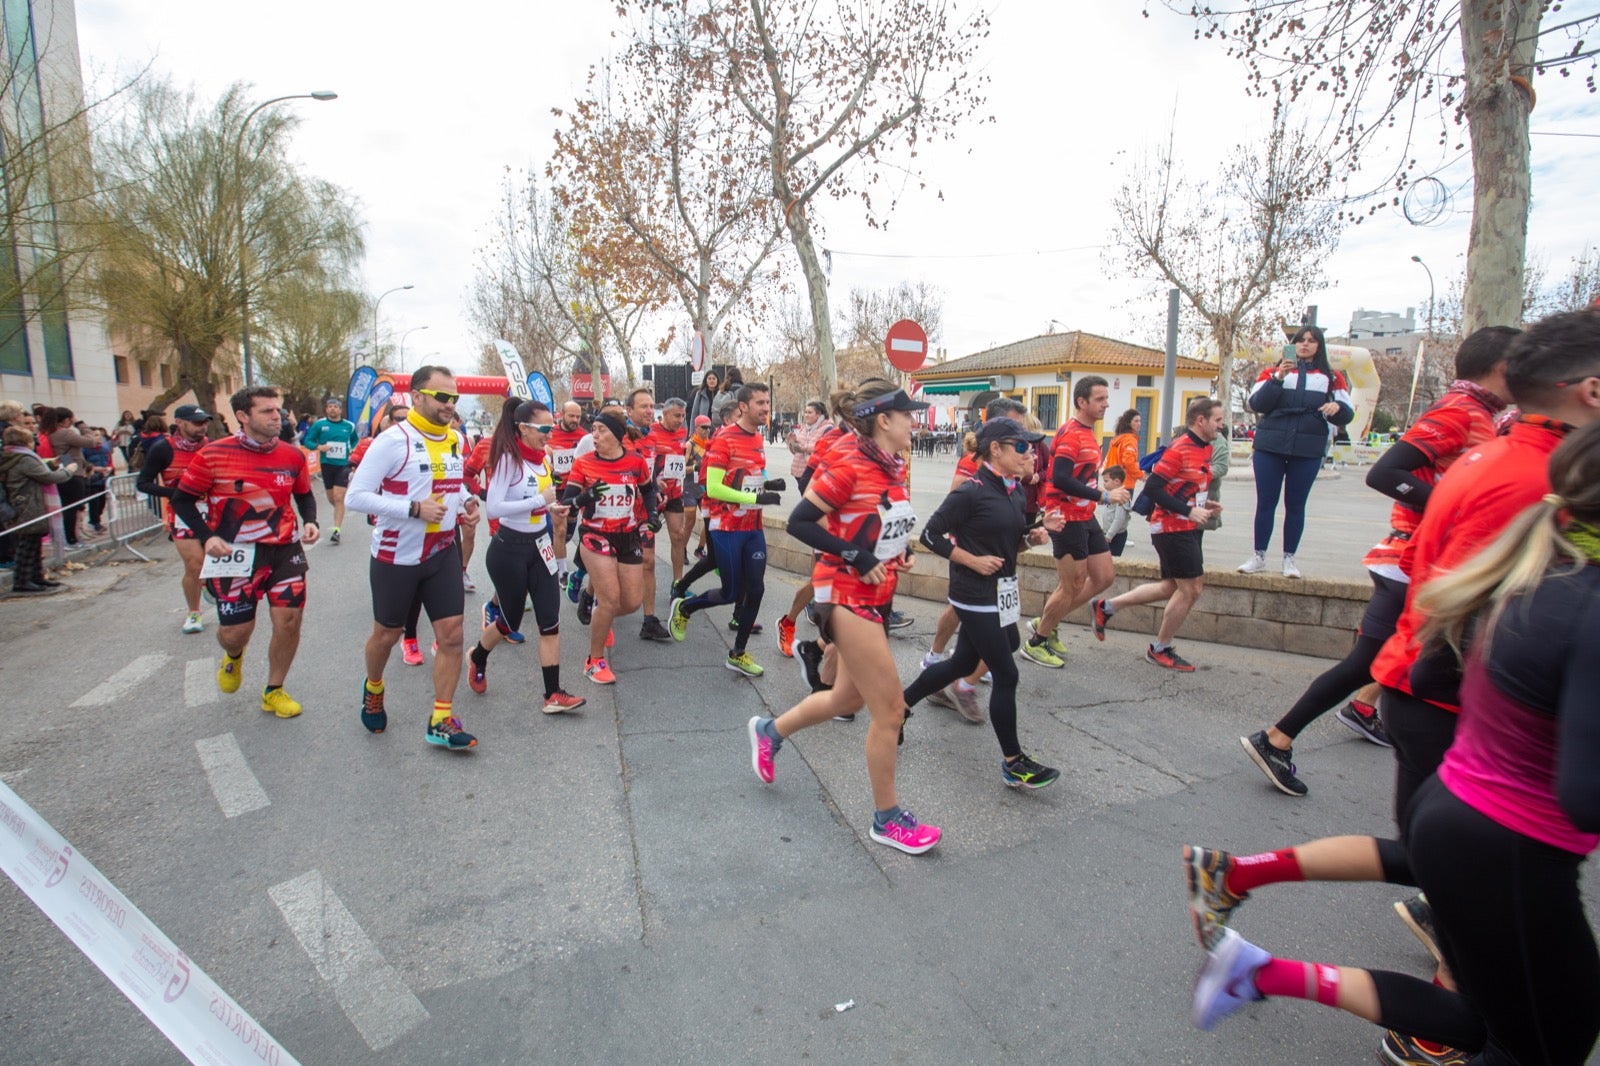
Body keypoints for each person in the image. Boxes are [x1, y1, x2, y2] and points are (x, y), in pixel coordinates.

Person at [1185, 310, 1600, 1065]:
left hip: (1439, 689)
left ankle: (1246, 892)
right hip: (1446, 695)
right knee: (1461, 887)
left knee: (1433, 859)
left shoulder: (1498, 454)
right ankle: (1437, 1019)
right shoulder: (1525, 471)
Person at [1238, 327, 1516, 797]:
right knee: (1397, 663)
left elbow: (1346, 414)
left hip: (1427, 559)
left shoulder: (1484, 416)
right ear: (1501, 368)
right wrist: (1459, 508)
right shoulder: (1460, 411)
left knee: (1386, 660)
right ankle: (1281, 738)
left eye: (1310, 339)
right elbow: (1386, 471)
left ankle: (1311, 727)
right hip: (1411, 559)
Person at [745, 380, 942, 855]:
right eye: (908, 414)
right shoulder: (848, 461)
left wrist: (901, 551)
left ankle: (768, 732)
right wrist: (855, 554)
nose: (916, 422)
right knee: (891, 710)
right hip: (844, 594)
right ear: (883, 419)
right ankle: (886, 818)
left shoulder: (893, 466)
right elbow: (800, 523)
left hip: (877, 593)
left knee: (844, 700)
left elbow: (881, 523)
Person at [901, 418, 1066, 783]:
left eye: (1032, 448)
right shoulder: (971, 491)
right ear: (997, 449)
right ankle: (1013, 762)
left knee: (966, 660)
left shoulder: (1015, 491)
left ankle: (900, 705)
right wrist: (970, 560)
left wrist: (1032, 537)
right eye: (1022, 447)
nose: (1031, 455)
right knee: (1007, 673)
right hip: (974, 593)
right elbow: (930, 534)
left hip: (1002, 591)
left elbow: (1009, 541)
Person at [346, 367, 481, 749]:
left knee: (452, 636)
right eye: (442, 397)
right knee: (386, 635)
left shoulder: (455, 438)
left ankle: (441, 719)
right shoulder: (393, 440)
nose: (450, 404)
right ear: (416, 396)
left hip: (441, 549)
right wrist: (411, 509)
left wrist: (466, 504)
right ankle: (373, 686)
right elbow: (357, 496)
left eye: (454, 398)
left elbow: (452, 487)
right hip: (397, 555)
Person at [169, 387, 320, 718]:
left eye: (277, 410)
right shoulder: (212, 455)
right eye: (266, 411)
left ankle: (274, 690)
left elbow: (305, 495)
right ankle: (234, 656)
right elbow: (181, 499)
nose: (276, 416)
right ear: (243, 416)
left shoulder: (291, 455)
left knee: (289, 620)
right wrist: (207, 537)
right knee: (235, 633)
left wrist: (310, 520)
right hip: (233, 553)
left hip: (283, 550)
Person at [465, 398, 584, 713]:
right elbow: (494, 507)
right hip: (509, 550)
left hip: (540, 546)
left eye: (552, 426)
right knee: (509, 621)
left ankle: (553, 694)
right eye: (544, 428)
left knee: (550, 620)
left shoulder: (543, 458)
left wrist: (552, 507)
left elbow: (542, 502)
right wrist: (536, 500)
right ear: (522, 428)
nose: (550, 433)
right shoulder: (508, 460)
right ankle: (478, 656)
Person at [1091, 397, 1226, 671]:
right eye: (1218, 421)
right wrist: (1188, 512)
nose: (1221, 427)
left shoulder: (1205, 449)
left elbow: (1184, 487)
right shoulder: (1180, 449)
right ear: (1201, 421)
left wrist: (1204, 506)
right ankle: (1160, 649)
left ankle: (1106, 607)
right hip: (1171, 528)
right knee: (1192, 589)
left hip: (1185, 526)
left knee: (1171, 587)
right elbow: (1153, 489)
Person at [668, 382, 780, 676]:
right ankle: (685, 608)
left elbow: (743, 478)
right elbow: (715, 488)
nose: (766, 408)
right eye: (760, 403)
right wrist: (757, 497)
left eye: (768, 403)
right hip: (726, 526)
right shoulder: (725, 439)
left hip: (753, 525)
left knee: (755, 589)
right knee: (731, 592)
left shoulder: (758, 438)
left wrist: (768, 485)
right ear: (743, 407)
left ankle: (738, 653)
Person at [1026, 376, 1129, 668]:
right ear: (1081, 402)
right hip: (1065, 516)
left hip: (1084, 515)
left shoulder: (1088, 432)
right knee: (1071, 585)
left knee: (1104, 576)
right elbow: (1060, 478)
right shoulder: (1072, 434)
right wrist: (1104, 496)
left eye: (1106, 399)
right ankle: (1037, 641)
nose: (1106, 404)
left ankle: (1048, 619)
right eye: (1099, 399)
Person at [1238, 326, 1354, 578]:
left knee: (1296, 504)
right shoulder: (1272, 371)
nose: (1305, 345)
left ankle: (1289, 559)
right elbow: (1256, 404)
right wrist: (1278, 378)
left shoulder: (1331, 377)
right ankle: (1259, 556)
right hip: (1271, 444)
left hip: (1308, 447)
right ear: (1292, 344)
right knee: (1266, 502)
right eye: (1300, 340)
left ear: (1319, 345)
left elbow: (1347, 413)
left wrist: (1336, 406)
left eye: (1312, 341)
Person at [560, 408, 655, 685]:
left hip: (627, 535)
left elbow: (647, 490)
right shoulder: (584, 463)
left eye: (601, 430)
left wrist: (652, 516)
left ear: (617, 435)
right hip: (595, 534)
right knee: (612, 598)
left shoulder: (636, 462)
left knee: (631, 602)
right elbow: (567, 503)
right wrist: (584, 497)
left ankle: (593, 602)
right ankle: (594, 660)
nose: (595, 435)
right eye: (594, 430)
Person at [135, 404, 216, 633]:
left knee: (213, 563)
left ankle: (210, 584)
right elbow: (143, 483)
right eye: (196, 422)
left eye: (204, 422)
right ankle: (193, 613)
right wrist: (176, 494)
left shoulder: (212, 447)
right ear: (179, 423)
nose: (202, 427)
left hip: (212, 510)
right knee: (194, 564)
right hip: (182, 513)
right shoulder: (163, 449)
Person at [624, 388, 674, 642]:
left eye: (651, 406)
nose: (649, 411)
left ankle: (649, 620)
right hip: (617, 515)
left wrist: (657, 486)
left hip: (644, 513)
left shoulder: (652, 439)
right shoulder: (615, 436)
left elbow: (650, 473)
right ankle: (590, 592)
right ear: (629, 410)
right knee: (613, 568)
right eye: (643, 406)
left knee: (649, 562)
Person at [0, 426, 74, 592]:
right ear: (26, 442)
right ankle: (22, 581)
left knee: (33, 544)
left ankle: (36, 577)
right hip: (29, 505)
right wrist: (68, 471)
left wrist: (49, 464)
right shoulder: (24, 458)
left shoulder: (11, 456)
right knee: (27, 545)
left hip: (22, 503)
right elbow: (48, 477)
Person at [645, 396, 693, 624]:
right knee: (646, 545)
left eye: (683, 416)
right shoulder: (651, 433)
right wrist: (654, 481)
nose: (680, 420)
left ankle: (678, 584)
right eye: (676, 416)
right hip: (653, 494)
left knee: (678, 535)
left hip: (674, 493)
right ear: (663, 414)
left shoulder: (683, 433)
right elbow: (643, 461)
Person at [302, 398, 360, 545]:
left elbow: (355, 440)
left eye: (335, 407)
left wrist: (353, 448)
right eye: (330, 407)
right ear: (326, 410)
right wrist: (319, 447)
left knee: (338, 496)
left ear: (340, 410)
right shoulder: (319, 425)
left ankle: (336, 530)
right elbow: (308, 441)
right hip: (327, 464)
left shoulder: (349, 426)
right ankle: (339, 511)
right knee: (331, 498)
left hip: (343, 465)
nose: (333, 409)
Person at [547, 401, 588, 596]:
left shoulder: (583, 436)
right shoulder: (550, 433)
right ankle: (562, 572)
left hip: (576, 487)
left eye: (578, 417)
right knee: (560, 530)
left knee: (569, 532)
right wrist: (550, 466)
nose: (575, 420)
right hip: (557, 489)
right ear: (561, 414)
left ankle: (556, 550)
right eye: (571, 416)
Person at [41, 407, 99, 546]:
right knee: (72, 508)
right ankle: (71, 539)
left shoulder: (51, 433)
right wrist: (80, 424)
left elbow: (66, 455)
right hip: (72, 474)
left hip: (66, 469)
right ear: (67, 419)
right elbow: (91, 441)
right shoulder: (65, 433)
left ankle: (71, 537)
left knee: (70, 507)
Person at [1105, 409, 1144, 498]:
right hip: (1126, 482)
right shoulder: (1130, 440)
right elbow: (1128, 462)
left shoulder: (1118, 439)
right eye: (1136, 421)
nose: (1139, 423)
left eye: (1140, 421)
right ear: (1129, 423)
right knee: (1122, 510)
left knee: (1111, 510)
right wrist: (1141, 475)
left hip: (1113, 480)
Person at [1098, 465, 1131, 557]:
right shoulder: (1110, 495)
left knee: (1112, 559)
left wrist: (1110, 535)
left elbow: (1119, 519)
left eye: (1106, 481)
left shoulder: (1121, 496)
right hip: (1108, 532)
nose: (1104, 484)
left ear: (1117, 481)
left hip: (1116, 535)